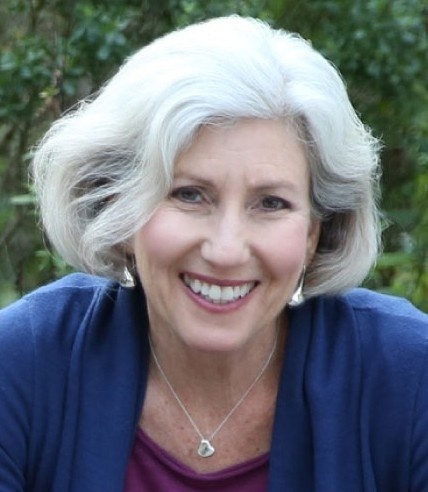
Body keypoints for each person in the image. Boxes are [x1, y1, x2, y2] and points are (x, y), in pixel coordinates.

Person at [0, 15, 427, 492]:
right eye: (189, 195)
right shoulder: (22, 361)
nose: (226, 250)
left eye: (271, 203)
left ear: (314, 232)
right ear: (118, 209)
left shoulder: (410, 375)